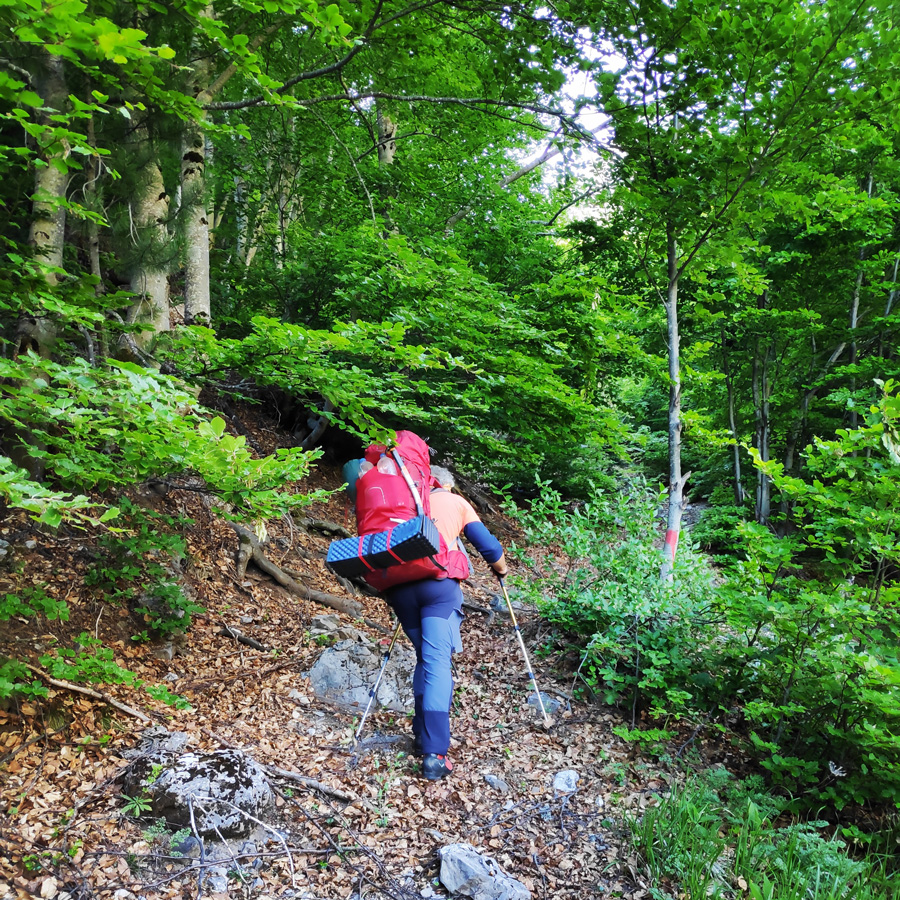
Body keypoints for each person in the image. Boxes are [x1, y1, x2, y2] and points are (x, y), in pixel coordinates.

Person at [383, 465, 507, 781]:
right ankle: (435, 755)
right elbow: (490, 549)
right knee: (437, 662)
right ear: (448, 486)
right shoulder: (456, 502)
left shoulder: (407, 502)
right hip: (438, 589)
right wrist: (502, 571)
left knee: (425, 659)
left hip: (400, 591)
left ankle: (423, 737)